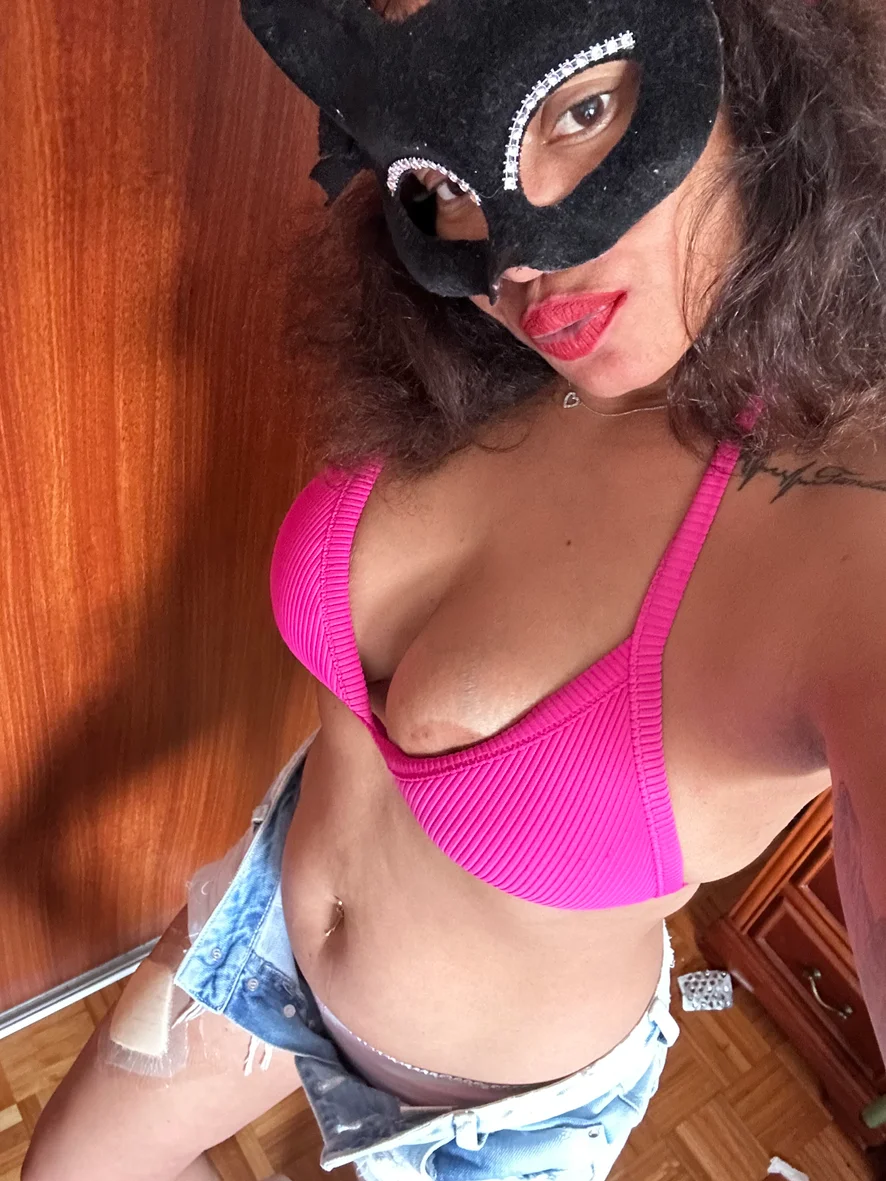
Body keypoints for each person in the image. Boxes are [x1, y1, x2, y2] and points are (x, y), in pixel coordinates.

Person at [23, 0, 886, 1177]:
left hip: (494, 1119)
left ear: (755, 69)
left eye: (582, 110)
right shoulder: (471, 363)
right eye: (439, 183)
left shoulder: (837, 505)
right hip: (266, 928)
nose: (515, 259)